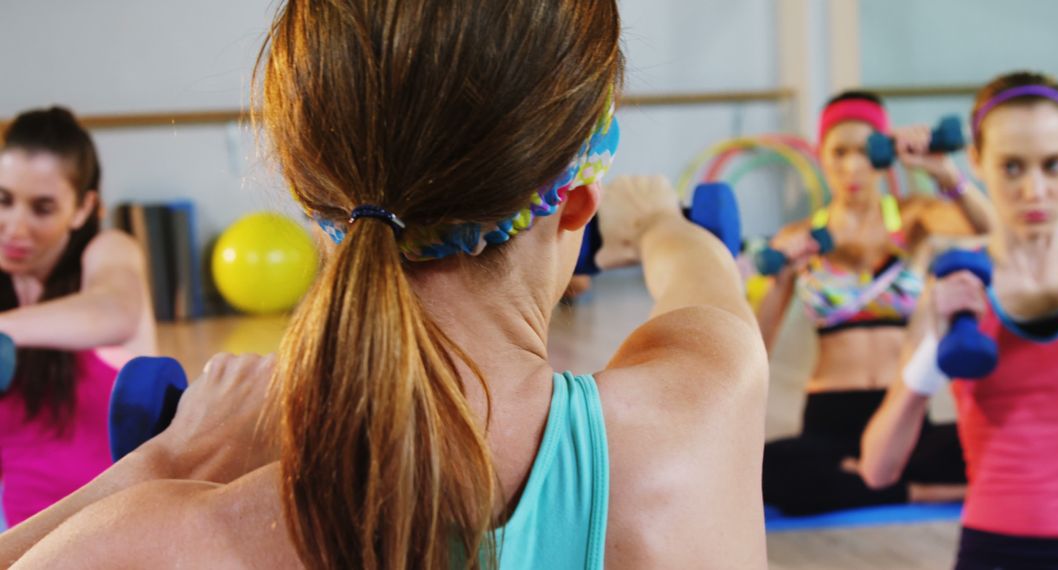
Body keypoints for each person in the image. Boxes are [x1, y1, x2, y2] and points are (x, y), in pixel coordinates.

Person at [2, 1, 768, 568]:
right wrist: (663, 223)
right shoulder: (703, 406)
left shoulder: (167, 542)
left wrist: (170, 460)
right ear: (574, 203)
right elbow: (702, 276)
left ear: (313, 205)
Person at [861, 71, 1058, 569]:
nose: (1035, 189)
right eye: (1012, 167)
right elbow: (877, 468)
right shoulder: (953, 289)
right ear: (977, 162)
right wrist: (929, 358)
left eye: (1053, 165)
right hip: (997, 547)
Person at [758, 91, 993, 515]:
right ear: (821, 155)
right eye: (839, 152)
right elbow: (755, 347)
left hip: (902, 412)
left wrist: (944, 173)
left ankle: (862, 479)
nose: (852, 167)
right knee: (766, 471)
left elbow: (994, 233)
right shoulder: (797, 237)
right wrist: (779, 278)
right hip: (828, 416)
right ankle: (915, 490)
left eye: (866, 151)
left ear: (885, 155)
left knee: (991, 447)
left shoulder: (914, 218)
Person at [0, 107, 155, 526]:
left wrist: (6, 328)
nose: (15, 226)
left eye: (42, 207)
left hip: (119, 529)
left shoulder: (108, 251)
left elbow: (117, 311)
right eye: (4, 200)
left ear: (83, 208)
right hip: (23, 540)